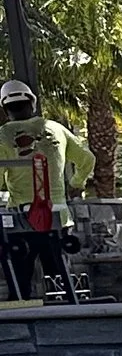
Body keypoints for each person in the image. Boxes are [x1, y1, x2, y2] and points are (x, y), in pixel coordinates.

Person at [0, 79, 90, 300]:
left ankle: (22, 317)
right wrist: (76, 184)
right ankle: (68, 311)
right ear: (32, 103)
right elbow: (87, 159)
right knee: (60, 279)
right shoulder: (55, 129)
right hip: (57, 216)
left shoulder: (2, 136)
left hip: (21, 219)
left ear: (5, 108)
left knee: (20, 281)